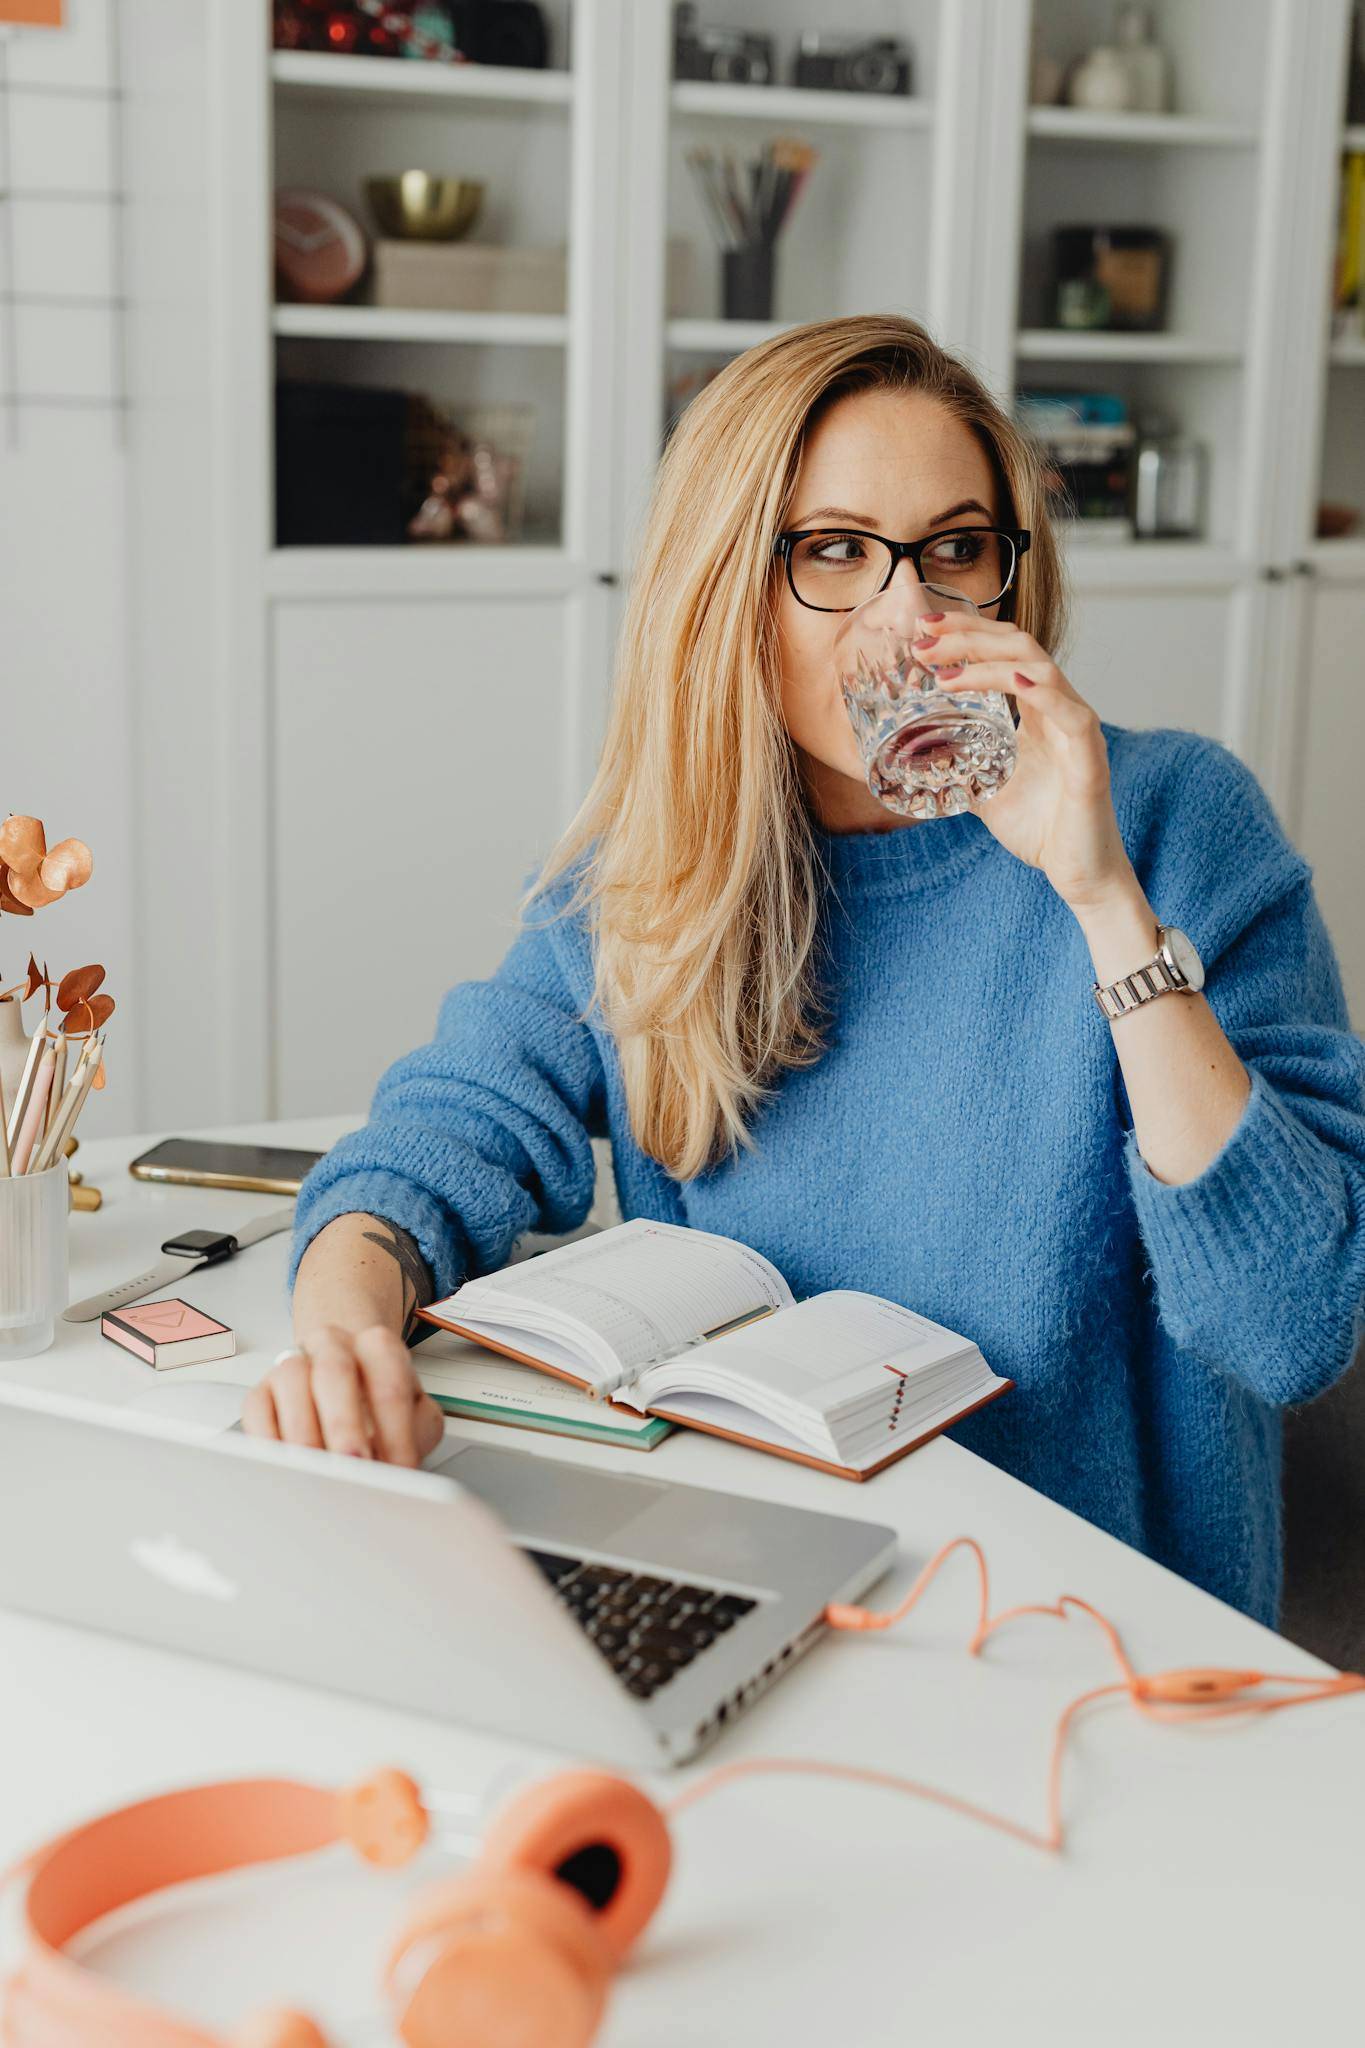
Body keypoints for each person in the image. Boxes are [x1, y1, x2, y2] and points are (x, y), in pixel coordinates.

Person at [245, 314, 1365, 1628]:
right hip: (772, 1596)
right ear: (731, 592)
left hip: (1094, 1645)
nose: (912, 615)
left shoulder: (1167, 821)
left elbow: (1288, 1328)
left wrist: (1098, 896)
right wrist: (344, 1321)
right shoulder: (655, 876)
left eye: (954, 549)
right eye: (834, 551)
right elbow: (441, 1135)